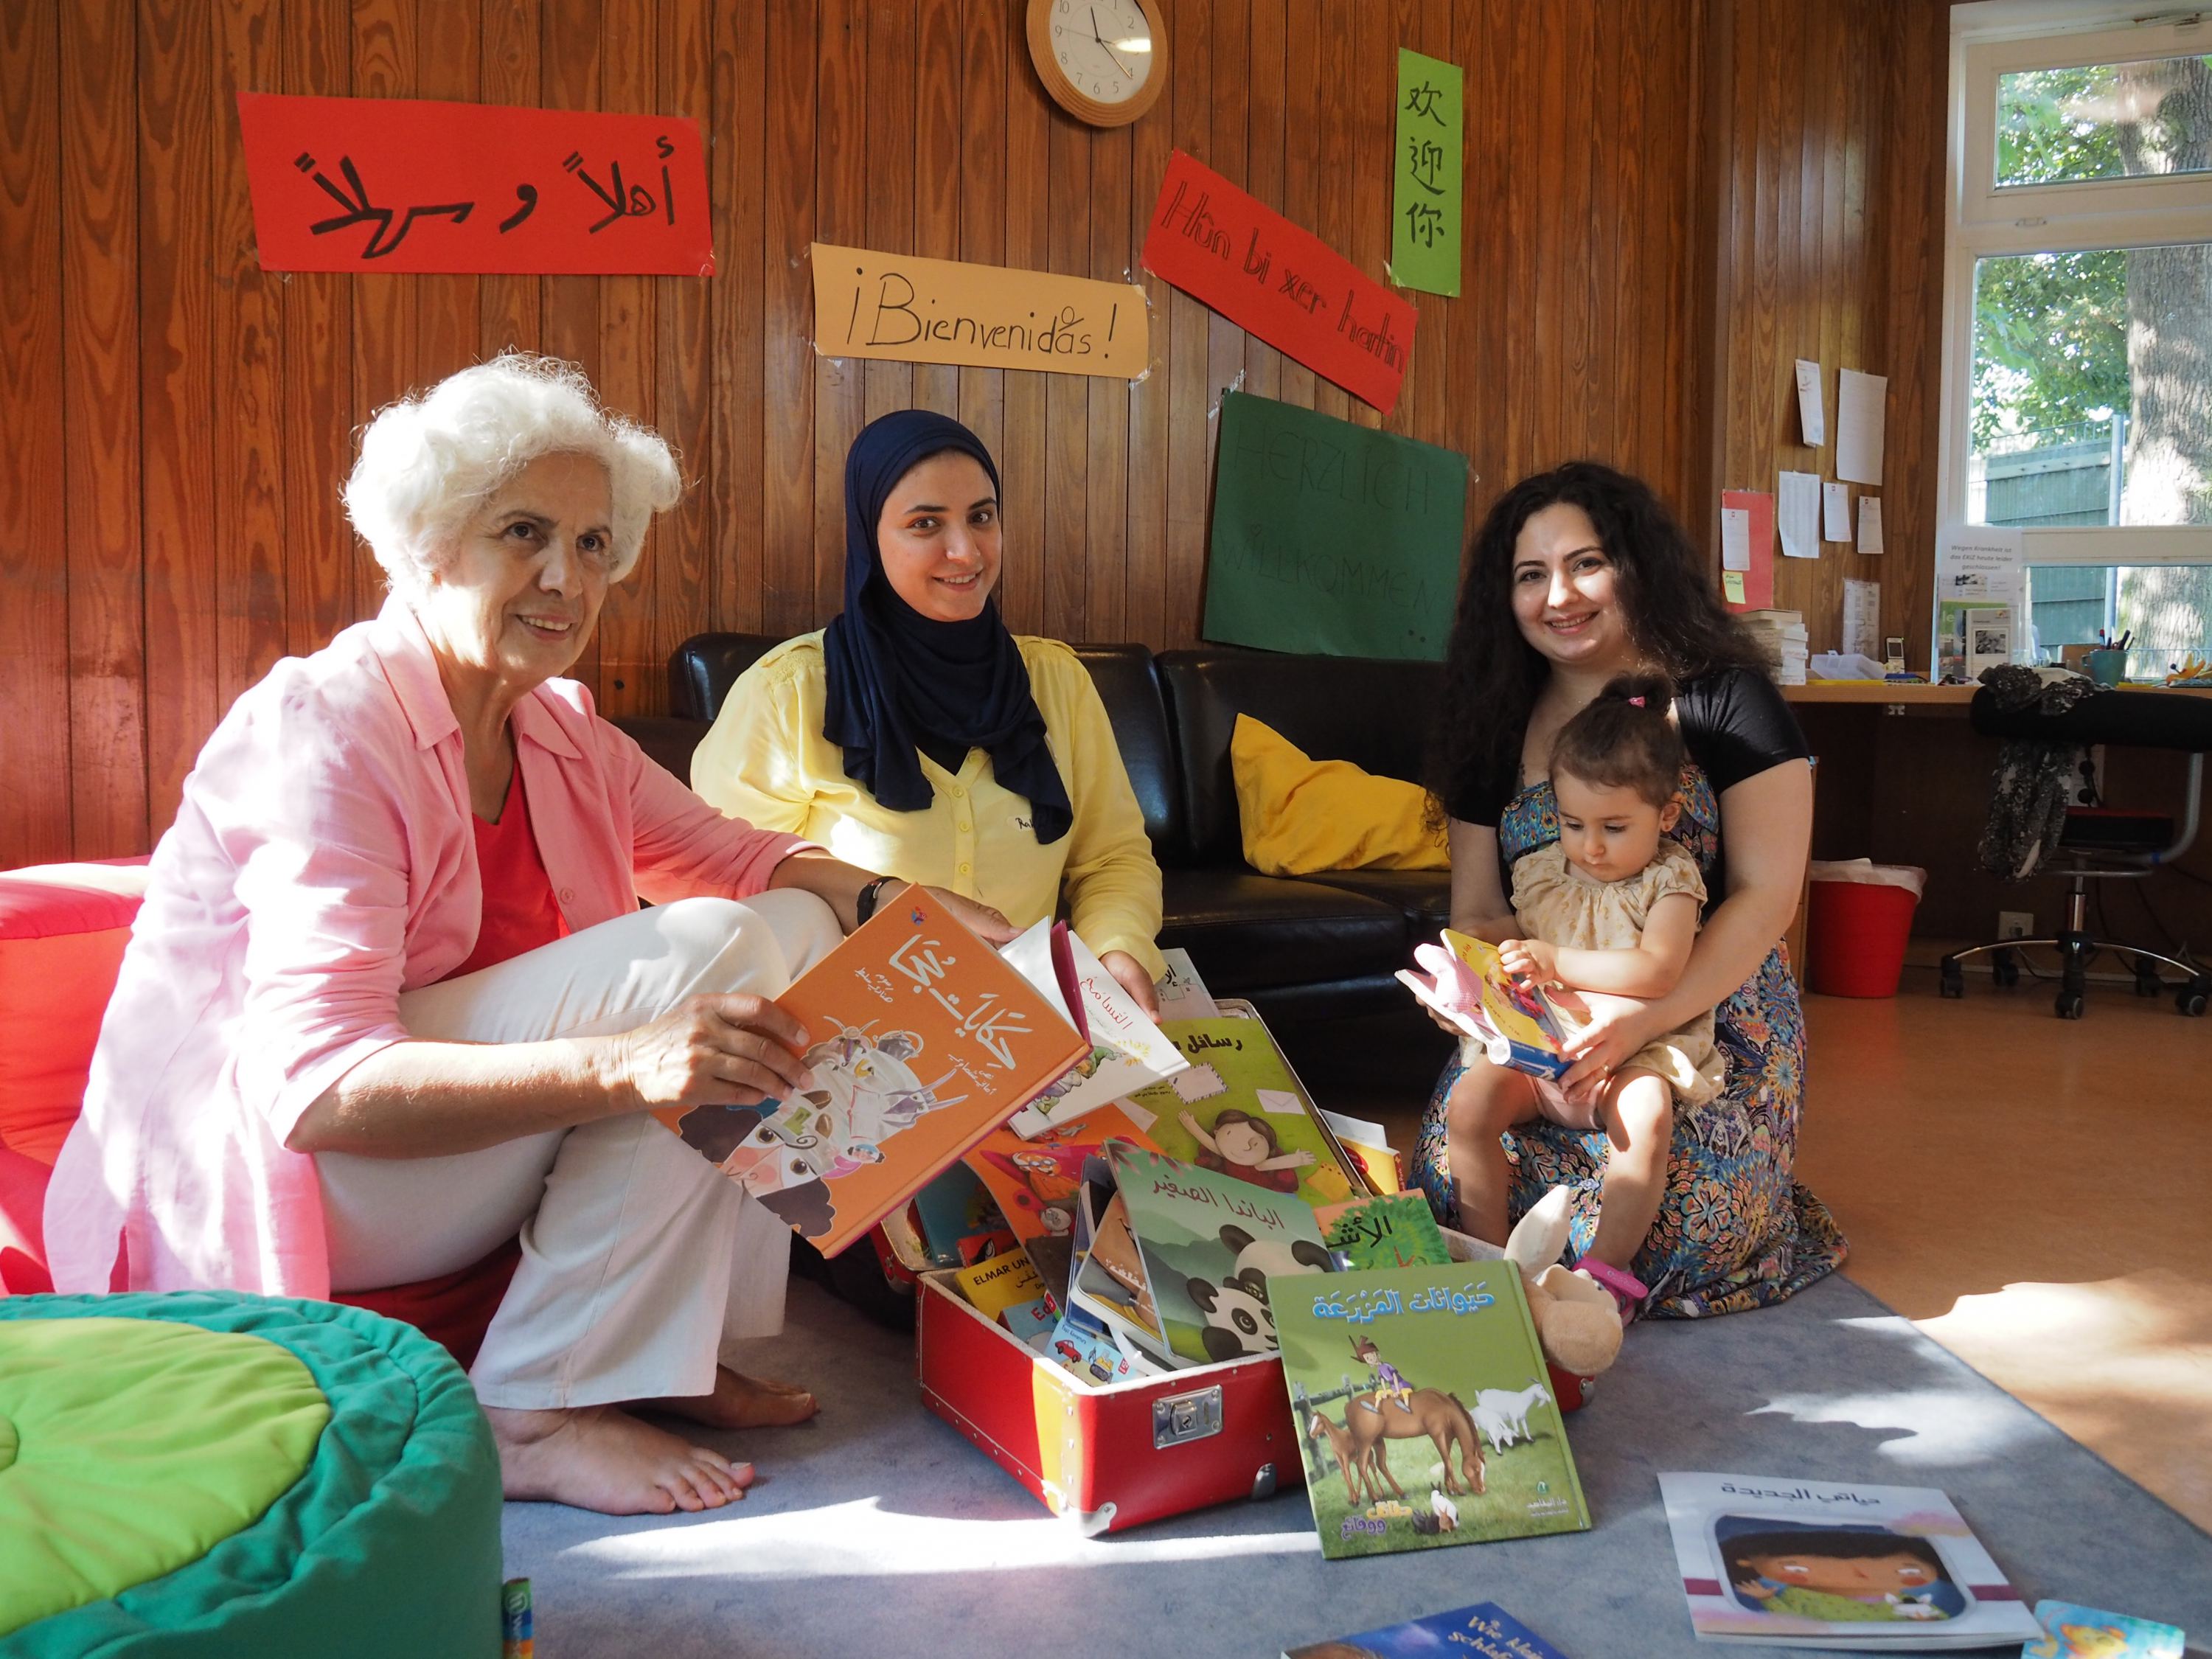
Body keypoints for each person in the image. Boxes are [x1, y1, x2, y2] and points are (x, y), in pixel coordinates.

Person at [43, 355, 1011, 1517]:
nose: (566, 576)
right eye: (524, 532)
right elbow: (313, 1089)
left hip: (426, 1163)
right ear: (429, 542)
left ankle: (652, 1359)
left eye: (595, 544)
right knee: (708, 957)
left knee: (790, 923)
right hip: (290, 1171)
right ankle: (535, 1411)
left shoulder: (558, 728)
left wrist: (894, 909)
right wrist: (628, 1061)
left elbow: (744, 854)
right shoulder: (326, 725)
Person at [1413, 461, 1846, 1318]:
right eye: (1530, 575)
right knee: (1446, 1172)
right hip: (1547, 1025)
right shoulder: (1492, 722)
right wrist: (1491, 1006)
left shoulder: (1727, 698)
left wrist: (1640, 1021)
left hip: (1698, 1009)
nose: (1559, 596)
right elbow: (1481, 914)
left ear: (1636, 566)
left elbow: (1766, 896)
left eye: (1586, 563)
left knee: (1690, 1231)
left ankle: (1594, 1282)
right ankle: (1499, 1288)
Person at [690, 408, 1165, 1012]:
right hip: (845, 1041)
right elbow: (721, 882)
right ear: (870, 536)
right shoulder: (790, 693)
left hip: (1021, 1028)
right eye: (925, 523)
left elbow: (1112, 857)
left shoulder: (1056, 683)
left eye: (982, 517)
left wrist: (1116, 949)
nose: (965, 552)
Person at [1442, 671, 1725, 1315]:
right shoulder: (1547, 868)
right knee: (1470, 1106)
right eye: (1573, 823)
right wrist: (1474, 958)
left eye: (1615, 828)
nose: (1591, 848)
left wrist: (1553, 959)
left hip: (1626, 1058)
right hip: (1542, 1055)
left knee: (1647, 1115)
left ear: (1668, 814)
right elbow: (1518, 929)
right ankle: (1491, 1263)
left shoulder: (1670, 881)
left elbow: (1658, 969)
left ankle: (1606, 1270)